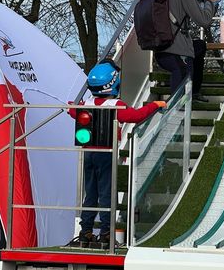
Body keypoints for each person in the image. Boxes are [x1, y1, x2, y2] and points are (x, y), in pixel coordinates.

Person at [70, 59, 166, 248]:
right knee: (106, 194)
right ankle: (106, 233)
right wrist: (155, 104)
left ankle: (85, 232)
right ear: (113, 83)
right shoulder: (116, 105)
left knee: (90, 194)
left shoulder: (87, 103)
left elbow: (72, 110)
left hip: (88, 153)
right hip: (107, 154)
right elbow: (136, 116)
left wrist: (69, 106)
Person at [153, 0, 219, 101]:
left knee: (199, 46)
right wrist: (209, 1)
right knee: (178, 99)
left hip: (160, 50)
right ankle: (181, 104)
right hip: (178, 51)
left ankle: (194, 93)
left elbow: (178, 9)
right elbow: (204, 21)